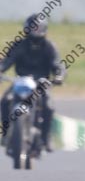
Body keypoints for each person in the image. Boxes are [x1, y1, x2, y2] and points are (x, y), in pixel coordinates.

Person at [0, 15, 65, 151]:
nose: (35, 31)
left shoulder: (49, 46)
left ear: (44, 29)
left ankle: (46, 138)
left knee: (48, 106)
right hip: (21, 81)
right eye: (32, 27)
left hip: (41, 83)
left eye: (38, 28)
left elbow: (57, 65)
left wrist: (59, 76)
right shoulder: (18, 45)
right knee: (5, 101)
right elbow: (6, 62)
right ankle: (6, 133)